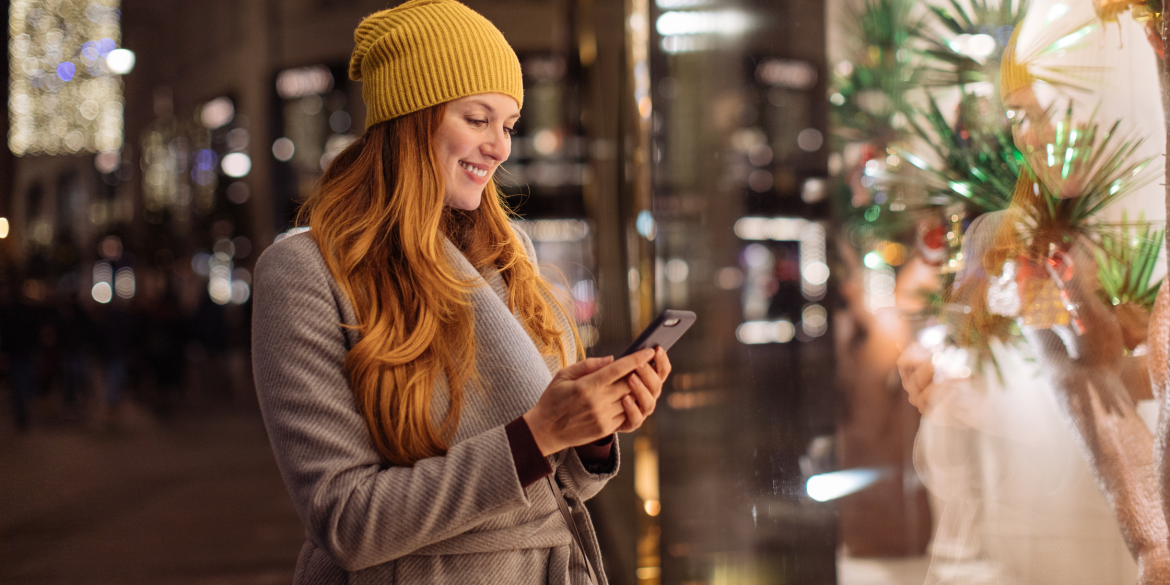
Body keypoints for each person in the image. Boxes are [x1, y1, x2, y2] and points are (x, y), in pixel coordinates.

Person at [250, 1, 671, 583]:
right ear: (411, 119)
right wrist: (538, 433)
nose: (499, 147)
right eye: (477, 119)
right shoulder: (306, 271)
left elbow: (554, 489)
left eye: (508, 125)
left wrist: (590, 433)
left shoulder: (510, 255)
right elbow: (346, 521)